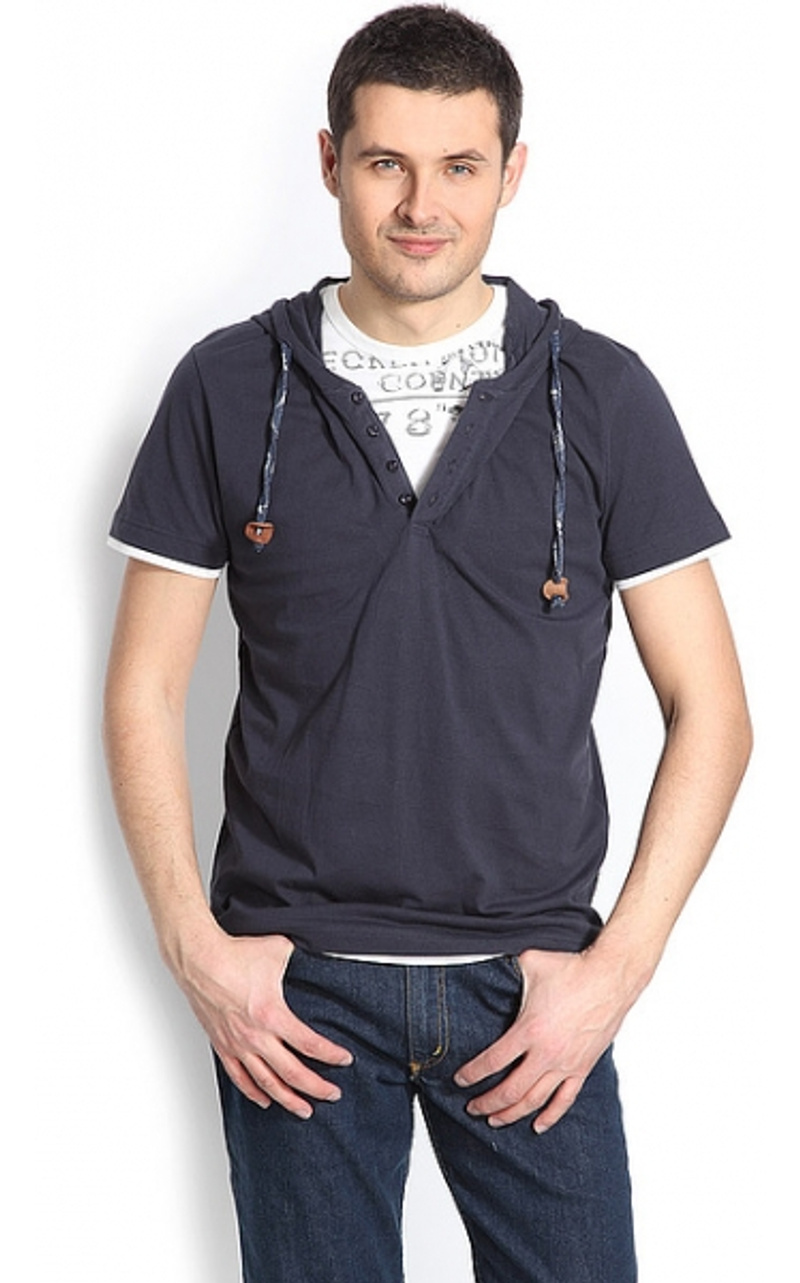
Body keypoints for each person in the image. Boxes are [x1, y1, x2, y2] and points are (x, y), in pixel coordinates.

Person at [103, 6, 752, 1281]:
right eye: (385, 162)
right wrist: (196, 949)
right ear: (329, 161)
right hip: (295, 995)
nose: (420, 205)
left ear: (511, 171)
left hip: (531, 988)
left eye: (459, 165)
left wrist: (613, 972)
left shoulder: (600, 393)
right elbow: (143, 685)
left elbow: (711, 708)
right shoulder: (228, 386)